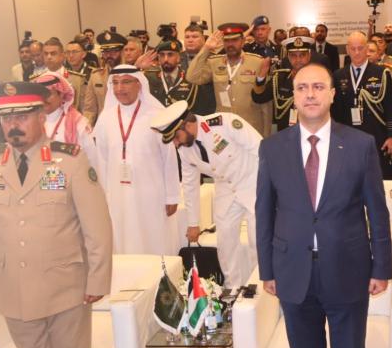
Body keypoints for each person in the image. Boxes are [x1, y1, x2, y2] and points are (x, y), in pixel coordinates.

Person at [0, 81, 112, 348]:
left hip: (65, 289)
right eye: (7, 118)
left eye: (22, 116)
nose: (13, 125)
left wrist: (97, 280)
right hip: (14, 291)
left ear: (41, 116)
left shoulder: (70, 161)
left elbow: (98, 226)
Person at [256, 62, 392, 348]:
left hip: (348, 269)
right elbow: (264, 212)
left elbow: (377, 211)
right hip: (293, 271)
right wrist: (267, 270)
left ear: (331, 94)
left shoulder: (360, 144)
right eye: (302, 88)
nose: (310, 94)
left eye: (318, 87)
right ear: (293, 97)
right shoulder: (272, 147)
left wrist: (381, 267)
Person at [152, 101, 262, 288]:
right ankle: (232, 287)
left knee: (257, 240)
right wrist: (193, 223)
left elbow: (261, 149)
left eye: (176, 137)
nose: (176, 143)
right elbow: (190, 184)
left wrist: (274, 188)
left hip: (253, 183)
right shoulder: (184, 149)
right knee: (225, 242)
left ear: (188, 125)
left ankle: (259, 288)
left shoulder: (225, 123)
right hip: (225, 189)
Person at [92, 65, 180, 255]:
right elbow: (102, 160)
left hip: (151, 193)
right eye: (115, 83)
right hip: (117, 194)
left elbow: (169, 158)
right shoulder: (106, 118)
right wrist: (102, 196)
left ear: (139, 84)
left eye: (126, 82)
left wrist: (172, 195)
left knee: (152, 238)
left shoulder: (157, 115)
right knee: (121, 238)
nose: (119, 88)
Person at [332, 31, 392, 178]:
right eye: (353, 49)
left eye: (360, 48)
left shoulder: (382, 73)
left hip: (377, 137)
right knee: (351, 179)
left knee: (379, 179)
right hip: (348, 138)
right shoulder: (338, 75)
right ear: (347, 49)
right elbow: (335, 112)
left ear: (367, 48)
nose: (357, 52)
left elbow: (391, 108)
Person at [187, 24, 269, 137]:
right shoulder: (214, 62)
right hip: (224, 129)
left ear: (243, 41)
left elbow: (265, 103)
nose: (230, 44)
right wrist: (206, 48)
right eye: (226, 41)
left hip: (251, 128)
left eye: (235, 40)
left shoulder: (257, 62)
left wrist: (266, 136)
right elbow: (192, 77)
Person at [32, 72, 98, 167]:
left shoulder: (79, 123)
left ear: (61, 95)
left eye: (48, 94)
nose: (43, 99)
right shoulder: (31, 122)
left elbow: (92, 159)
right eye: (40, 94)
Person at [253, 36, 314, 131]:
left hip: (311, 131)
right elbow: (259, 98)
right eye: (293, 55)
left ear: (309, 56)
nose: (298, 59)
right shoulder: (280, 78)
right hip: (285, 132)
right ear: (288, 57)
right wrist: (261, 76)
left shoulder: (319, 80)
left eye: (302, 55)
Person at [146, 40, 216, 116]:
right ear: (158, 58)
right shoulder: (149, 77)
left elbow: (200, 107)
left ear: (179, 58)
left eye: (170, 55)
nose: (166, 59)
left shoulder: (190, 77)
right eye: (162, 55)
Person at [82, 31, 127, 124]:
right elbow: (90, 109)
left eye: (113, 51)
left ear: (122, 52)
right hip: (104, 126)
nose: (109, 55)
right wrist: (87, 127)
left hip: (127, 124)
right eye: (105, 52)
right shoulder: (96, 76)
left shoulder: (132, 75)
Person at [33, 38, 87, 112]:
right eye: (46, 54)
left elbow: (84, 109)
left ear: (62, 56)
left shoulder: (77, 79)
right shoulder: (36, 80)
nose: (49, 57)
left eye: (53, 53)